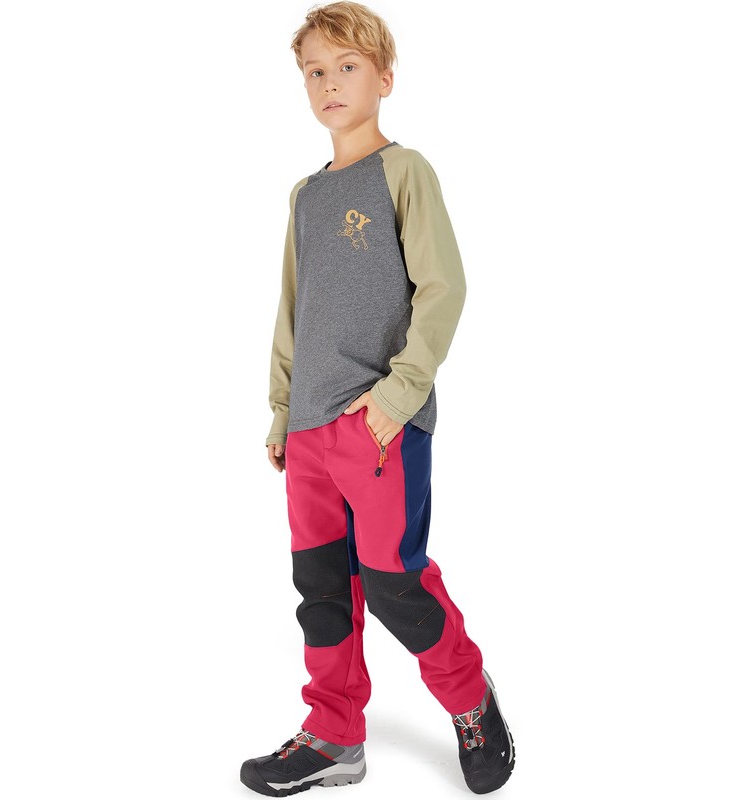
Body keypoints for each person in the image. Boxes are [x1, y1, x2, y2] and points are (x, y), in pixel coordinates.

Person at [240, 2, 516, 795]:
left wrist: (399, 395)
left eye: (347, 67)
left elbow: (443, 287)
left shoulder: (404, 172)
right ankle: (334, 735)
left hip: (379, 423)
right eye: (315, 72)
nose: (329, 83)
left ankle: (469, 701)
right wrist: (283, 410)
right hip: (309, 430)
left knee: (394, 582)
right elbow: (295, 309)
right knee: (322, 590)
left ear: (384, 78)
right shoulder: (305, 195)